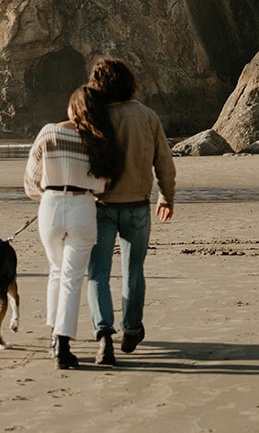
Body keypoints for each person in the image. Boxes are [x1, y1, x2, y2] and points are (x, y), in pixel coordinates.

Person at [23, 85, 120, 369]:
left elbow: (31, 177)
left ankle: (56, 337)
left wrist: (48, 195)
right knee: (72, 277)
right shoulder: (100, 140)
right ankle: (62, 342)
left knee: (56, 270)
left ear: (72, 108)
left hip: (51, 204)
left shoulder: (49, 132)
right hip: (83, 206)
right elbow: (103, 184)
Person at [85, 58, 175, 365]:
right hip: (137, 205)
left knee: (97, 272)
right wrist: (166, 196)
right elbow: (164, 162)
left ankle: (103, 335)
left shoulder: (94, 115)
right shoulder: (147, 116)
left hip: (101, 206)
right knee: (133, 271)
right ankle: (132, 329)